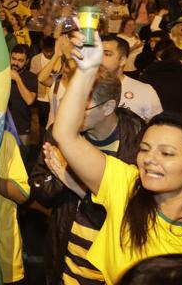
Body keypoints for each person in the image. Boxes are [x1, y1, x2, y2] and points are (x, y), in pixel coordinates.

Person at [50, 38, 182, 284]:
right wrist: (86, 71)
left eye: (167, 153)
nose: (150, 160)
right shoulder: (125, 186)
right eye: (145, 149)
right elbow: (65, 134)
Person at [34, 68, 145, 285]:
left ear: (108, 107)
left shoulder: (139, 141)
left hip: (114, 269)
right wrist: (61, 179)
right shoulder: (60, 133)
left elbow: (134, 212)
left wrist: (76, 184)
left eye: (81, 107)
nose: (72, 114)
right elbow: (40, 190)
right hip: (66, 260)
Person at [101, 35, 162, 122]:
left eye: (107, 54)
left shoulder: (144, 90)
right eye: (97, 53)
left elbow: (157, 126)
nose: (99, 58)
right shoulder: (83, 87)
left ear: (122, 60)